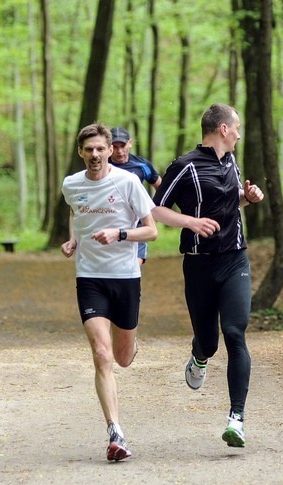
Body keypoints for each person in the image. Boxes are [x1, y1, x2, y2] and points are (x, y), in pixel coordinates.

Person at [151, 103, 264, 448]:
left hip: (234, 260)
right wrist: (191, 223)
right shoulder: (184, 166)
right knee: (209, 342)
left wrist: (249, 197)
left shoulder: (230, 161)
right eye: (237, 127)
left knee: (234, 332)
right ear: (223, 130)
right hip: (199, 265)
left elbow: (229, 203)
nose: (240, 134)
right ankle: (199, 355)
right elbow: (155, 209)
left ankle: (237, 419)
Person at [61, 123, 158, 461]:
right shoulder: (71, 185)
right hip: (89, 278)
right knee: (102, 355)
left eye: (100, 149)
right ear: (80, 152)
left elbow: (152, 231)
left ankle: (130, 341)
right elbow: (76, 212)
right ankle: (115, 432)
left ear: (109, 150)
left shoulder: (129, 182)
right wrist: (74, 239)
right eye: (89, 150)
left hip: (126, 277)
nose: (95, 155)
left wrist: (119, 234)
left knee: (122, 357)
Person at [109, 127, 162, 265]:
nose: (119, 151)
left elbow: (162, 188)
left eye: (123, 146)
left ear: (130, 143)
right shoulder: (103, 166)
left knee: (134, 268)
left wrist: (152, 211)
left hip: (139, 227)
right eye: (115, 147)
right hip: (111, 225)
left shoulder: (142, 165)